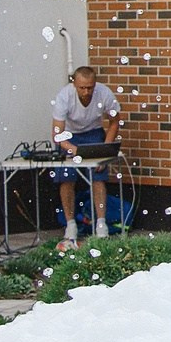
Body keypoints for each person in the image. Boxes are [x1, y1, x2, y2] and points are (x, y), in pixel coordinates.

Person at [49, 66, 122, 246]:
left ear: (95, 84)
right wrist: (72, 149)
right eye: (82, 87)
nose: (86, 91)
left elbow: (114, 121)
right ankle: (70, 224)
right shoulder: (64, 97)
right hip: (69, 136)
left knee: (98, 176)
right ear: (74, 84)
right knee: (67, 177)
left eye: (89, 87)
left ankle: (101, 224)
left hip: (94, 132)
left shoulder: (104, 94)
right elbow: (57, 133)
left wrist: (106, 149)